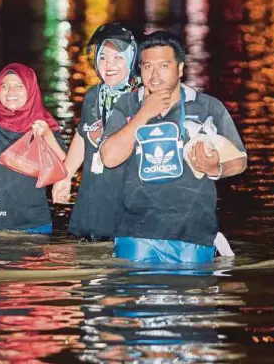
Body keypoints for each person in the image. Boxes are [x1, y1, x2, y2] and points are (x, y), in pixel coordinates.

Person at [100, 31, 247, 263]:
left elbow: (239, 160)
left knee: (191, 294)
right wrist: (144, 113)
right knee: (133, 293)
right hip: (136, 234)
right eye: (147, 66)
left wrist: (215, 168)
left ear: (180, 69)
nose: (155, 75)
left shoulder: (208, 107)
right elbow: (109, 158)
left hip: (193, 234)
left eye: (164, 66)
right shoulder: (127, 105)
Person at [52, 22, 140, 240]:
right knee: (87, 255)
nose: (108, 65)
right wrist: (66, 175)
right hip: (93, 192)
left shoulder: (142, 99)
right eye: (103, 57)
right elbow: (83, 135)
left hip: (127, 198)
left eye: (118, 57)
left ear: (132, 58)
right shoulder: (93, 95)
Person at [0, 63, 66, 234]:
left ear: (31, 90)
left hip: (36, 222)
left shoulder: (43, 123)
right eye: (5, 86)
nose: (11, 92)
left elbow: (63, 163)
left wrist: (47, 135)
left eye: (19, 86)